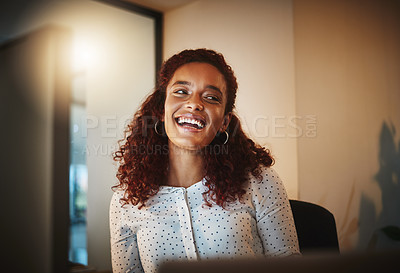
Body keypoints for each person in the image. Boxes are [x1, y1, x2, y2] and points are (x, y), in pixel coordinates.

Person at [110, 49, 300, 273]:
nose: (194, 104)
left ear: (224, 122)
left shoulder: (261, 181)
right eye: (181, 92)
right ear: (161, 109)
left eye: (211, 97)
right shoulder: (125, 200)